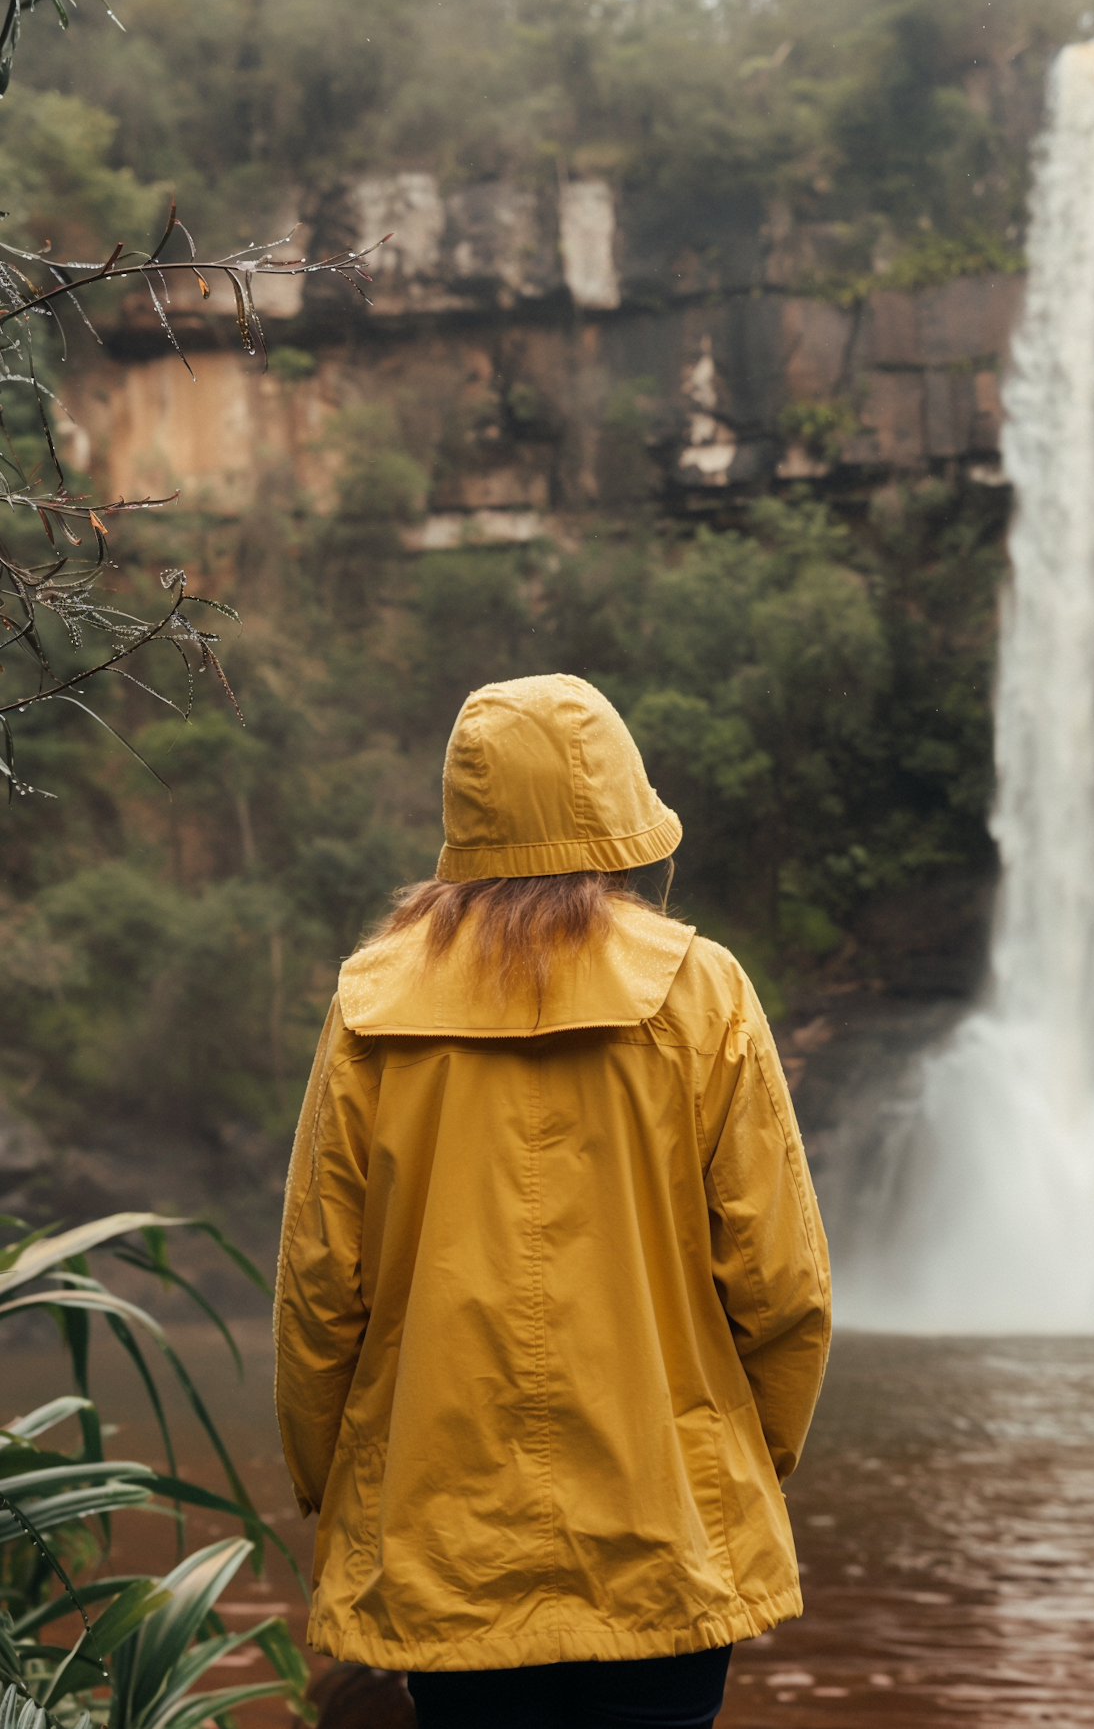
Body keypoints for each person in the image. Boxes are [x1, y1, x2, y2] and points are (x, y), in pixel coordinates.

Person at [274, 674, 832, 1729]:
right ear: (622, 814)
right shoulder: (703, 992)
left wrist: (334, 1483)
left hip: (446, 1546)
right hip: (665, 1539)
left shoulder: (371, 1008)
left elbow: (317, 1294)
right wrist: (746, 1463)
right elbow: (783, 1282)